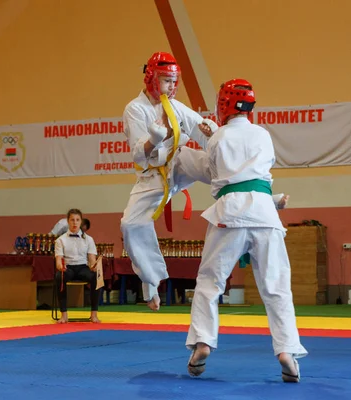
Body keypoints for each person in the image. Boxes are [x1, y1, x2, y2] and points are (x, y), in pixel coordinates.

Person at [185, 79, 308, 382]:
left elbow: (218, 175)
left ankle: (203, 343)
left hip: (230, 213)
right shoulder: (263, 135)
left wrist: (214, 136)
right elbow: (257, 176)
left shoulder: (217, 138)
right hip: (265, 213)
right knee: (277, 287)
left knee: (209, 282)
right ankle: (286, 352)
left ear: (223, 105)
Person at [120, 51, 218, 311]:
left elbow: (197, 127)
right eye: (166, 81)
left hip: (177, 162)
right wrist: (155, 137)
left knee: (214, 164)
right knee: (130, 224)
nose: (172, 87)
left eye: (175, 81)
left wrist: (211, 131)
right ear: (151, 78)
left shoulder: (174, 106)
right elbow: (139, 154)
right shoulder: (135, 109)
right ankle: (150, 282)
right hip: (152, 176)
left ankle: (253, 191)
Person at [54, 209, 100, 324]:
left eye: (77, 220)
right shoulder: (60, 240)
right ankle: (64, 315)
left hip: (82, 267)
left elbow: (91, 259)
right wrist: (60, 267)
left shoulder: (89, 239)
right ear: (68, 222)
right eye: (72, 220)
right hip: (68, 267)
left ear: (81, 222)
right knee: (60, 277)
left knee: (96, 277)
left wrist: (94, 266)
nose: (75, 223)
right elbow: (58, 260)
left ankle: (94, 314)